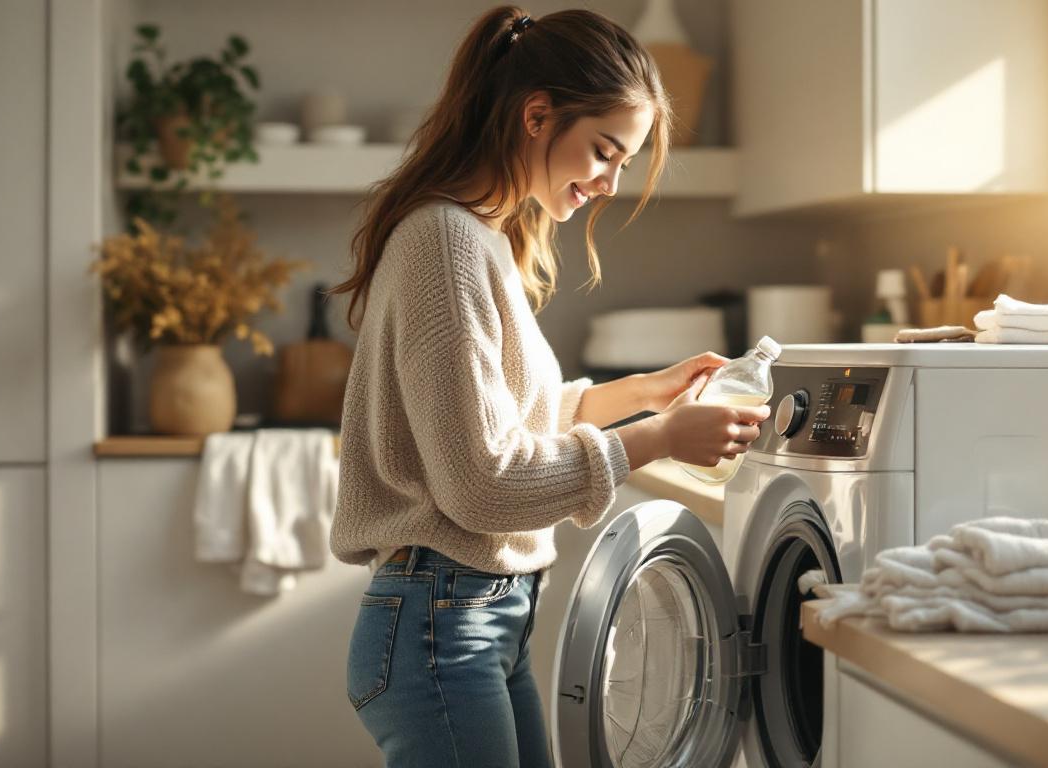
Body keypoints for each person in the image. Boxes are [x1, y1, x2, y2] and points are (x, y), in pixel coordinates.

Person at [326, 6, 771, 766]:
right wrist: (657, 440)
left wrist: (644, 393)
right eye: (604, 152)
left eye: (622, 163)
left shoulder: (481, 239)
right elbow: (483, 484)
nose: (608, 183)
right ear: (537, 115)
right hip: (442, 627)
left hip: (472, 623)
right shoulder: (446, 242)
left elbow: (510, 422)